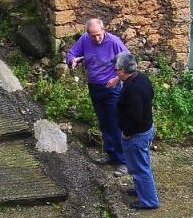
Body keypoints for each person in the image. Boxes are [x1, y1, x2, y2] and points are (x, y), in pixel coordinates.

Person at [64, 18, 129, 174]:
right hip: (94, 87)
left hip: (112, 88)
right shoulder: (85, 39)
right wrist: (72, 60)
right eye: (93, 36)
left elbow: (128, 62)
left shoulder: (114, 41)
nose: (96, 38)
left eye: (98, 35)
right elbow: (72, 53)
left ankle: (123, 161)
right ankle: (110, 153)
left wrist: (116, 79)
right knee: (104, 122)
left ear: (103, 30)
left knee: (115, 122)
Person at [115, 51, 159, 210]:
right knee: (139, 165)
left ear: (122, 71)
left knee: (141, 168)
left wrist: (127, 132)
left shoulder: (133, 89)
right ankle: (141, 190)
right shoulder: (142, 79)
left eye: (116, 70)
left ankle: (149, 201)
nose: (115, 72)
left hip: (136, 134)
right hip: (145, 129)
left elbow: (135, 117)